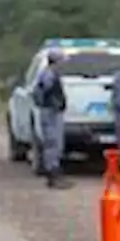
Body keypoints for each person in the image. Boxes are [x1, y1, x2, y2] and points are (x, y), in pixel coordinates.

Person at [32, 49, 73, 189]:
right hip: (50, 113)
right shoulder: (48, 74)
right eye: (62, 60)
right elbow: (45, 90)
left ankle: (55, 174)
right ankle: (52, 175)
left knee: (56, 144)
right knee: (52, 143)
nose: (63, 63)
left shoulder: (51, 73)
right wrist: (54, 103)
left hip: (52, 112)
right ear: (56, 61)